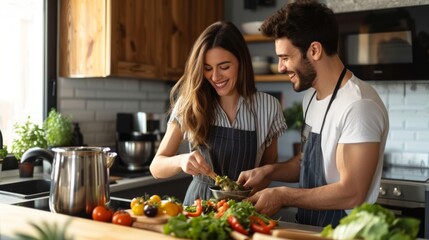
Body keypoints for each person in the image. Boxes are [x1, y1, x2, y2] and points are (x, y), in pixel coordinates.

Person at [237, 0, 389, 228]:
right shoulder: (311, 97)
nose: (280, 67)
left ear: (314, 50)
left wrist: (283, 195)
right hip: (311, 228)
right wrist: (270, 171)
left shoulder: (358, 105)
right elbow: (308, 162)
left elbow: (352, 192)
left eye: (285, 57)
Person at [150, 21, 287, 206]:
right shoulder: (191, 103)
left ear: (241, 62)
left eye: (224, 67)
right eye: (207, 68)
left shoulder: (268, 106)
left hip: (242, 208)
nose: (215, 77)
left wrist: (241, 199)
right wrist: (182, 161)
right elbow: (156, 167)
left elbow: (267, 170)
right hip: (197, 209)